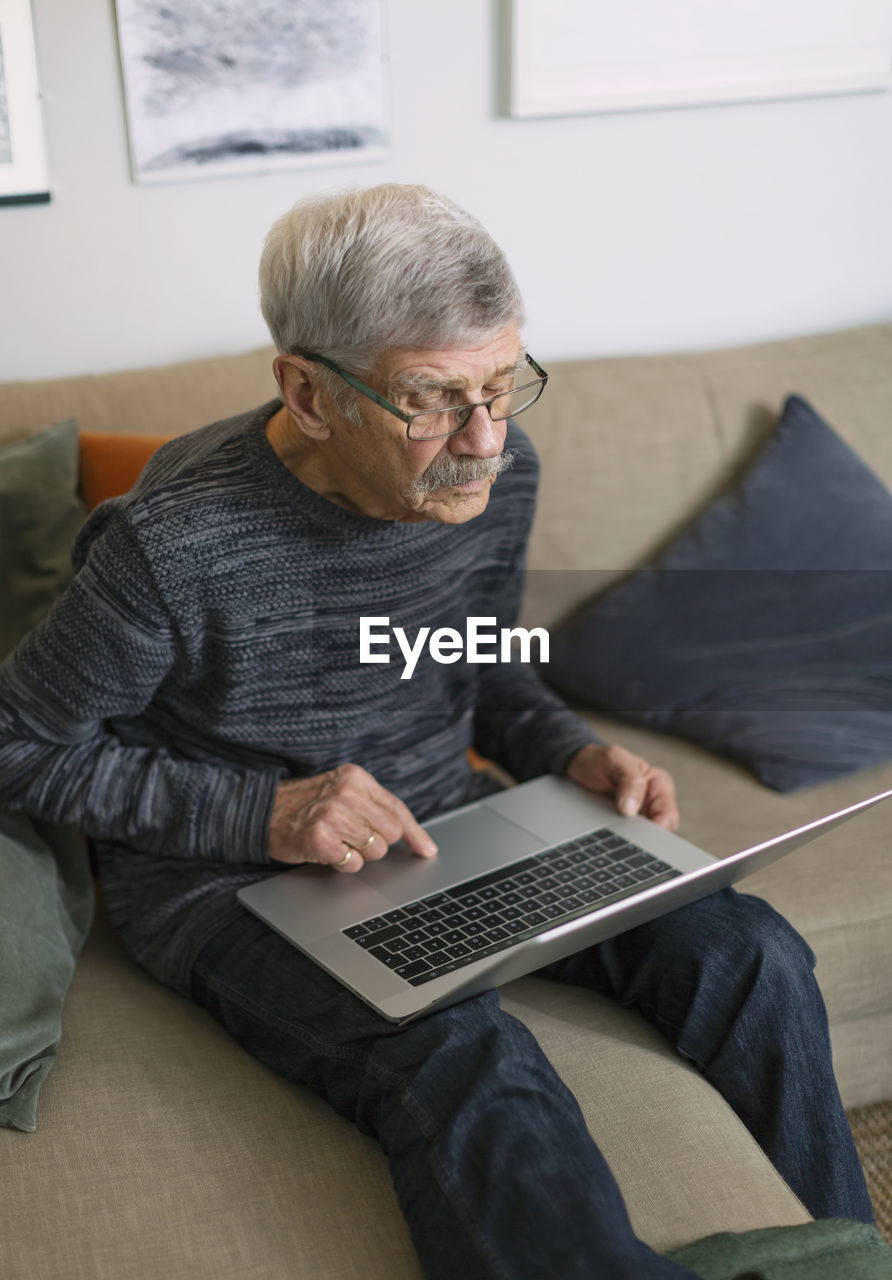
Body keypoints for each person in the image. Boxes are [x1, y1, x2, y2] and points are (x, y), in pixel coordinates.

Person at [0, 184, 873, 1279]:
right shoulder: (168, 544)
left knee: (750, 951)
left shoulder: (497, 477)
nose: (485, 439)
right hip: (222, 879)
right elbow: (18, 741)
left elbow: (467, 657)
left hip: (450, 820)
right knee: (462, 1050)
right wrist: (260, 812)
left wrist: (563, 748)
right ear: (308, 393)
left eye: (505, 386)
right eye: (434, 399)